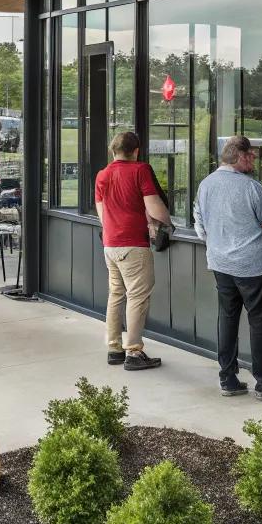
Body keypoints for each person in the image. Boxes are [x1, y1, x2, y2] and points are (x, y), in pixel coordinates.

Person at [193, 135, 262, 398]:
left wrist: (217, 242)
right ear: (238, 156)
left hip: (220, 262)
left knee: (227, 318)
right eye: (250, 155)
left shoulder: (206, 185)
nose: (253, 160)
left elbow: (199, 224)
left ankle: (227, 378)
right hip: (251, 265)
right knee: (259, 321)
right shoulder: (251, 187)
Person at [94, 130, 171, 372]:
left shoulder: (103, 174)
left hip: (110, 244)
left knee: (116, 294)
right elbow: (154, 206)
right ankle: (134, 352)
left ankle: (114, 348)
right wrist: (169, 222)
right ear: (136, 151)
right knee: (137, 296)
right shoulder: (140, 170)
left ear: (113, 151)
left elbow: (101, 211)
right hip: (133, 245)